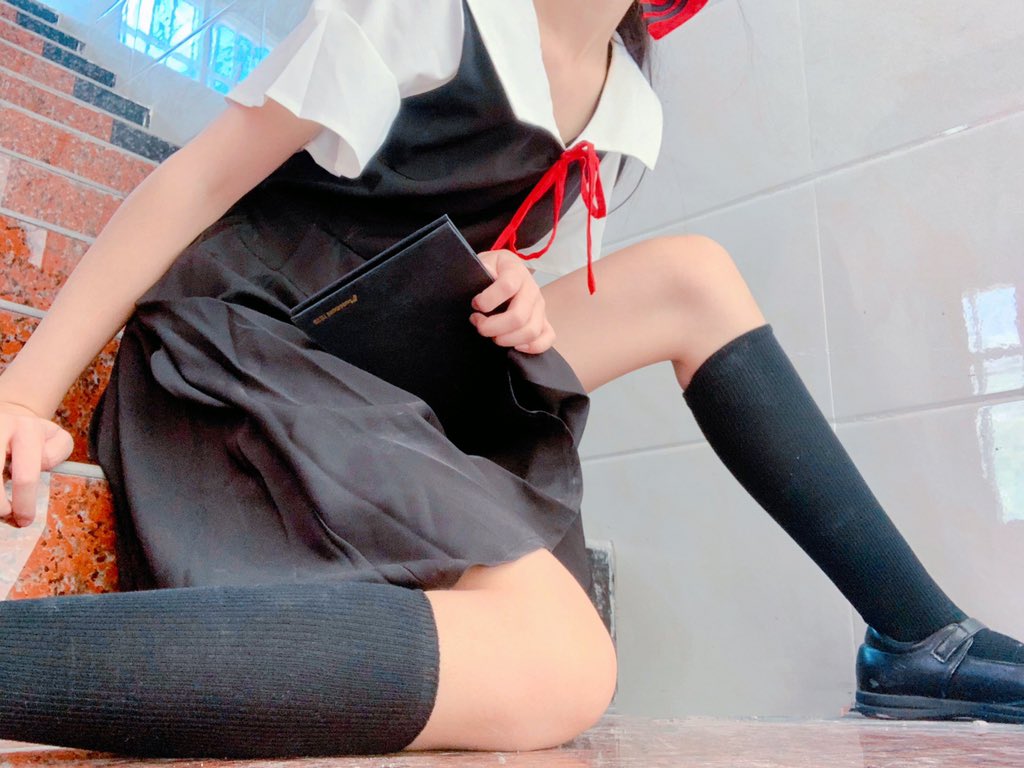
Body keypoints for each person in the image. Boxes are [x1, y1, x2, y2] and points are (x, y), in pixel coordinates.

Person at [0, 0, 1021, 758]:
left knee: (692, 278)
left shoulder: (626, 108)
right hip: (252, 338)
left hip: (388, 355)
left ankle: (916, 637)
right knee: (559, 659)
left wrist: (520, 288)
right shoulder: (429, 15)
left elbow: (479, 255)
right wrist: (29, 392)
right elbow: (198, 179)